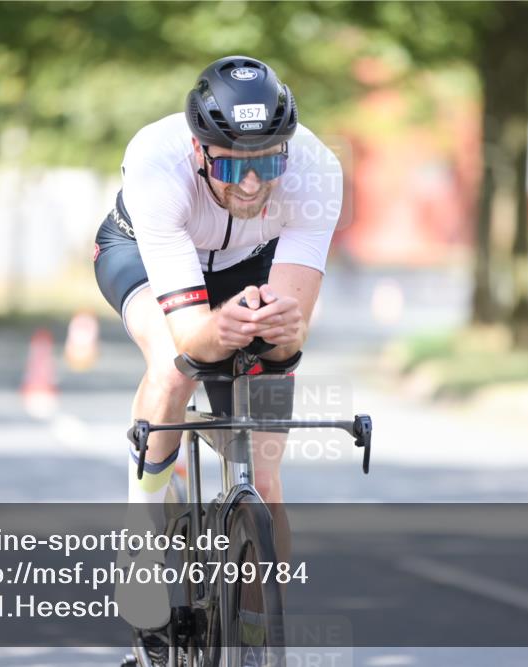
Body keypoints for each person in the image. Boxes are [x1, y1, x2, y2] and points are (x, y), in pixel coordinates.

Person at [93, 55, 342, 646]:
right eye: (231, 165)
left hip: (250, 262)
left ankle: (255, 640)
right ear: (199, 150)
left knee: (268, 483)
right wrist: (219, 327)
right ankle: (140, 532)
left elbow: (290, 336)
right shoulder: (157, 163)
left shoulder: (317, 170)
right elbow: (191, 340)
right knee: (172, 366)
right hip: (142, 254)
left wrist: (281, 331)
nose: (251, 185)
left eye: (268, 163)